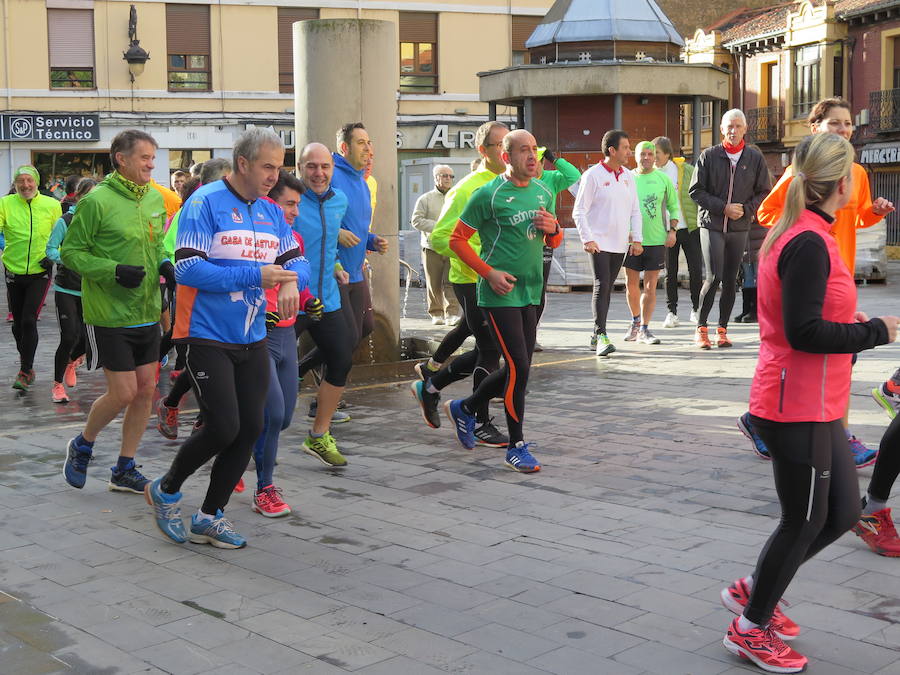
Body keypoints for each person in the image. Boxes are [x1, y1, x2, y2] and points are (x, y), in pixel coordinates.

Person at [720, 132, 897, 674]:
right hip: (792, 400)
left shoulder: (812, 232)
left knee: (843, 511)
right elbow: (803, 332)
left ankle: (754, 590)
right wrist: (874, 331)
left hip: (819, 402)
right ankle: (750, 626)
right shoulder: (807, 242)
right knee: (801, 520)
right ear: (842, 184)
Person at [145, 127, 308, 549]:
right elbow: (188, 270)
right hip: (206, 333)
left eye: (279, 166)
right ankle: (166, 489)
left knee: (252, 426)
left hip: (252, 334)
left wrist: (291, 282)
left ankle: (209, 516)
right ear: (243, 164)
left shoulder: (272, 212)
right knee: (224, 426)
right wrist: (258, 274)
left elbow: (298, 260)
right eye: (267, 167)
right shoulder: (204, 203)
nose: (275, 175)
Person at [743, 98, 893, 464]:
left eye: (847, 124)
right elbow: (767, 212)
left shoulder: (856, 173)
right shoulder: (805, 172)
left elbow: (854, 217)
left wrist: (872, 213)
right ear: (815, 129)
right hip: (811, 265)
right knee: (816, 348)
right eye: (834, 123)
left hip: (838, 268)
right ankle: (832, 434)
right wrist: (798, 235)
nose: (843, 129)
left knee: (836, 356)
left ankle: (768, 419)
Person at [60, 130, 174, 494]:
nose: (151, 164)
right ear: (121, 159)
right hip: (109, 314)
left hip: (146, 311)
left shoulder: (155, 199)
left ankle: (124, 467)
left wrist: (166, 264)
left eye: (153, 158)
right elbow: (71, 253)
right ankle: (83, 443)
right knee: (123, 392)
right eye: (144, 157)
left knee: (146, 391)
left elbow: (156, 246)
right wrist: (112, 271)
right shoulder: (97, 202)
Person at [444, 129, 563, 473]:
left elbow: (553, 242)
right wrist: (489, 273)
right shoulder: (488, 194)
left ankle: (464, 408)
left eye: (534, 151)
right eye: (523, 150)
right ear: (506, 157)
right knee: (520, 368)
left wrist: (553, 228)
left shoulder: (543, 190)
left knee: (517, 369)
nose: (532, 157)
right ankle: (516, 445)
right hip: (498, 295)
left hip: (531, 291)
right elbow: (456, 240)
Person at [410, 121, 509, 448]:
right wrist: (483, 265)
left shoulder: (506, 182)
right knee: (490, 351)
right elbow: (441, 237)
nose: (507, 151)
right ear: (484, 151)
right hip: (474, 282)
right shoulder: (468, 188)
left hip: (496, 284)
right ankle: (477, 419)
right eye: (501, 146)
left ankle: (431, 387)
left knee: (484, 348)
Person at [297, 123, 386, 420]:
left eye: (369, 142)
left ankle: (304, 377)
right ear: (344, 148)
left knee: (362, 330)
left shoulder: (361, 181)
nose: (368, 149)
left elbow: (345, 221)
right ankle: (317, 401)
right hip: (328, 275)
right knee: (341, 342)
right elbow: (315, 221)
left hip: (352, 270)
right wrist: (337, 237)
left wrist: (371, 240)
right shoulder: (332, 179)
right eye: (361, 143)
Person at [250, 169, 323, 516]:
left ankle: (238, 448)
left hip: (287, 334)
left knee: (283, 419)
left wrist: (308, 300)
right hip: (258, 334)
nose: (295, 211)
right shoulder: (253, 237)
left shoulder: (293, 237)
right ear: (269, 203)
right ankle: (265, 488)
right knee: (273, 413)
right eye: (289, 204)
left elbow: (299, 276)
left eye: (298, 204)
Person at [292, 143, 355, 468]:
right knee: (268, 375)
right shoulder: (287, 202)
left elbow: (326, 248)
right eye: (311, 166)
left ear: (332, 168)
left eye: (324, 166)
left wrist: (337, 268)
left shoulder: (338, 201)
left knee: (342, 358)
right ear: (300, 167)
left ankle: (318, 434)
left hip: (326, 298)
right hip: (291, 300)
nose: (318, 173)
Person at [689, 108, 771, 349]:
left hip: (739, 227)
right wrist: (723, 207)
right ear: (722, 129)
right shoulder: (709, 156)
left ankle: (722, 329)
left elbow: (764, 190)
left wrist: (745, 210)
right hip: (712, 224)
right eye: (729, 126)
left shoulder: (754, 158)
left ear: (745, 129)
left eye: (738, 126)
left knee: (732, 279)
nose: (733, 131)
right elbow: (695, 191)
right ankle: (701, 328)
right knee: (713, 277)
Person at [572, 130, 642, 357]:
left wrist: (637, 238)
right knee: (602, 285)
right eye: (625, 148)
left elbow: (635, 210)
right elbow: (579, 210)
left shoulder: (628, 176)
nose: (629, 152)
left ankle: (595, 333)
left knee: (607, 288)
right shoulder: (592, 175)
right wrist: (587, 238)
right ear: (612, 150)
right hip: (598, 243)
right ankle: (601, 335)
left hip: (619, 243)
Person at [0, 165, 61, 389]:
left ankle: (25, 370)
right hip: (13, 269)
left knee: (28, 320)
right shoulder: (5, 204)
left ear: (36, 182)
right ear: (15, 183)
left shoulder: (52, 205)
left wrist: (54, 257)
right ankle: (27, 363)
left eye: (29, 181)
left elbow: (63, 235)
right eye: (20, 181)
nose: (25, 185)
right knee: (17, 325)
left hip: (40, 270)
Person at [46, 177, 97, 403]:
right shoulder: (66, 221)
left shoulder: (101, 221)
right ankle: (57, 385)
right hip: (67, 287)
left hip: (92, 288)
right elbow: (50, 249)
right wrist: (68, 260)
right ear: (79, 197)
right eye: (89, 196)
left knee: (89, 340)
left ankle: (71, 362)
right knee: (69, 336)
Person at [623, 141, 679, 345]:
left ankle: (645, 329)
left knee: (651, 286)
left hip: (656, 240)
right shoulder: (627, 178)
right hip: (631, 240)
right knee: (631, 285)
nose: (646, 157)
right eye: (642, 154)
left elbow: (674, 207)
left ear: (655, 156)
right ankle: (635, 322)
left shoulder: (663, 179)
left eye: (650, 154)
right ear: (634, 155)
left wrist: (672, 231)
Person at [653, 136, 701, 328]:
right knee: (670, 272)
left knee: (696, 270)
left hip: (689, 227)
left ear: (667, 153)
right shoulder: (650, 175)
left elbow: (699, 193)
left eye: (656, 153)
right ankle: (671, 312)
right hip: (665, 231)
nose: (653, 157)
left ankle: (696, 309)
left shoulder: (685, 170)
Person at [412, 164, 460, 325]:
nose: (448, 179)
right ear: (436, 178)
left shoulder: (456, 197)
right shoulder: (425, 199)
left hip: (452, 246)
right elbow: (416, 221)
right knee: (434, 282)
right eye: (444, 175)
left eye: (450, 176)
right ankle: (436, 313)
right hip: (431, 246)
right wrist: (439, 227)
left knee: (450, 281)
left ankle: (452, 312)